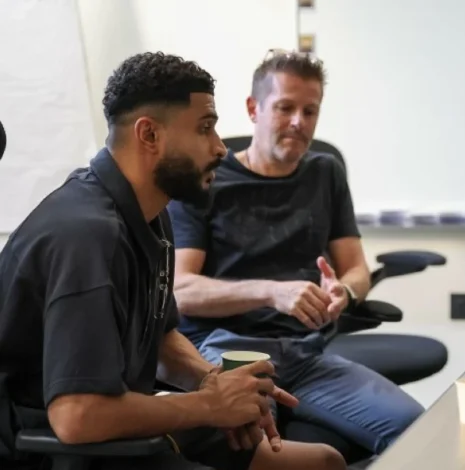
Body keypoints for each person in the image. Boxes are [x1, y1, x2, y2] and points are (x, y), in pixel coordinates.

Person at [0, 52, 344, 470]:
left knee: (324, 461)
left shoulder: (150, 213)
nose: (220, 147)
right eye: (204, 128)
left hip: (122, 427)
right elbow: (76, 416)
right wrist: (209, 406)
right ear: (149, 134)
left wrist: (211, 379)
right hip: (59, 452)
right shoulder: (86, 236)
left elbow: (160, 337)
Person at [167, 49, 424, 459]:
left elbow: (356, 269)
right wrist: (272, 292)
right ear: (253, 109)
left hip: (305, 352)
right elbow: (181, 291)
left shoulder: (325, 173)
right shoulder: (207, 179)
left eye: (310, 111)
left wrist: (345, 293)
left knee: (419, 432)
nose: (298, 122)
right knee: (258, 453)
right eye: (285, 108)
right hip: (229, 351)